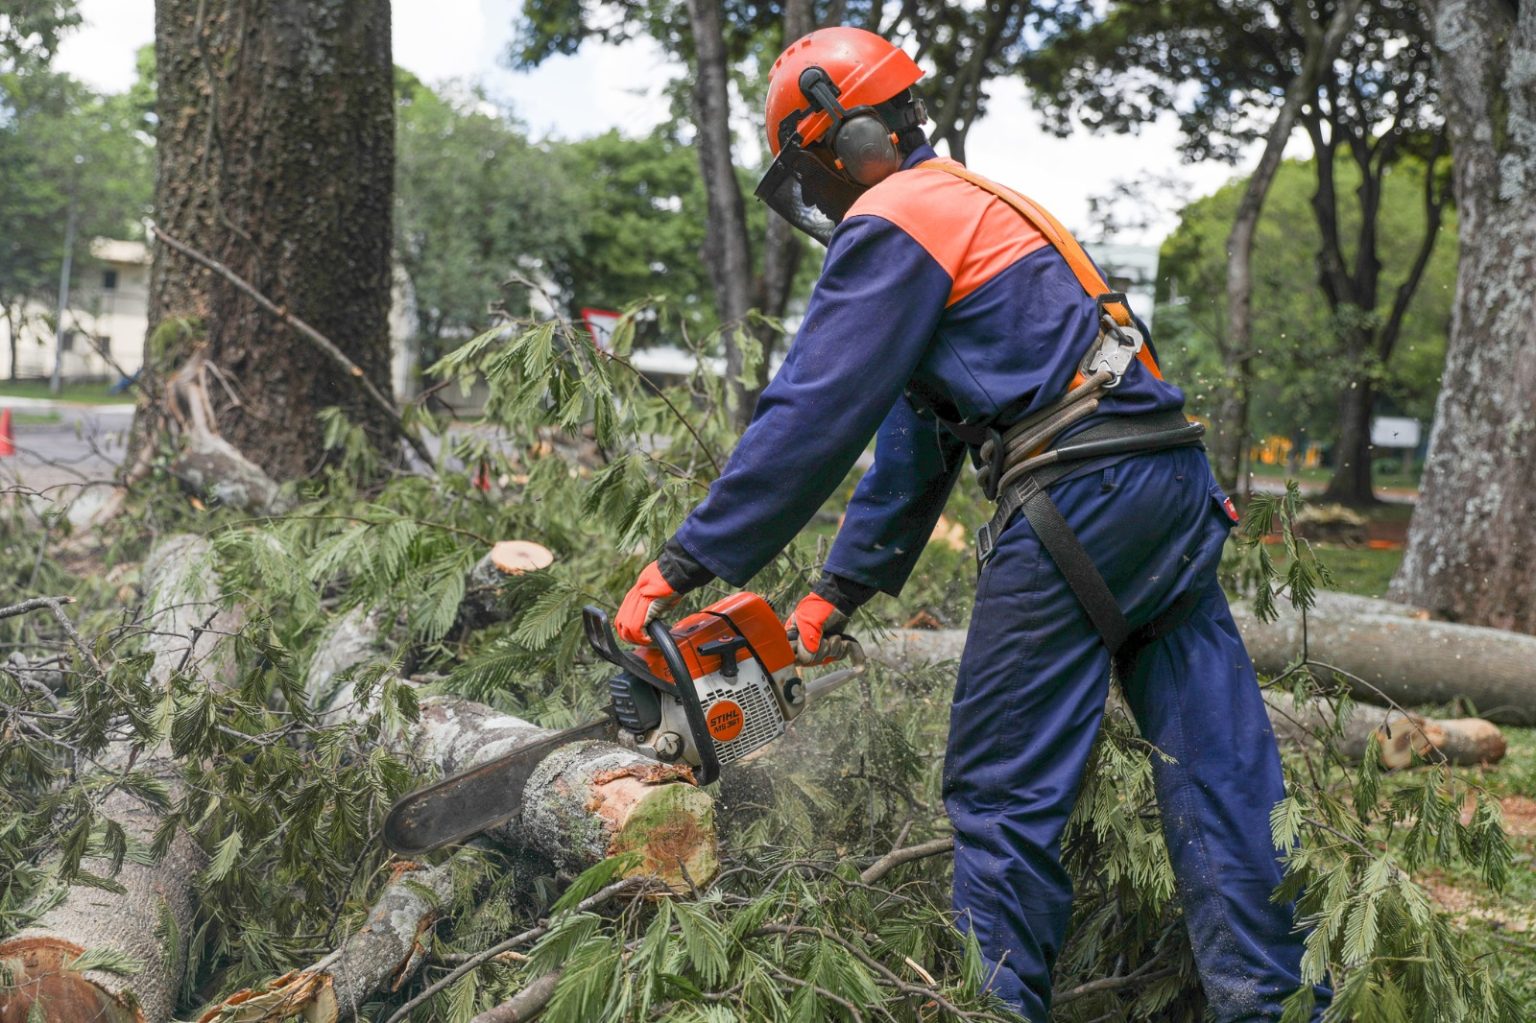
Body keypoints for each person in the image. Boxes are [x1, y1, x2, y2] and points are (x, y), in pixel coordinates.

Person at [614, 26, 1324, 1023]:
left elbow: (813, 411)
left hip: (1085, 490)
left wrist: (683, 563)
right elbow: (920, 435)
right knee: (1220, 767)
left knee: (997, 793)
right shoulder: (976, 208)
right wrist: (831, 596)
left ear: (849, 138)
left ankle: (995, 1010)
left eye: (815, 171)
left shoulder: (897, 219)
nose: (821, 197)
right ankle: (1278, 1005)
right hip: (1166, 477)